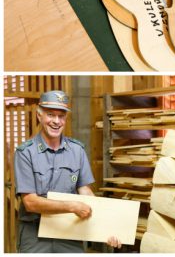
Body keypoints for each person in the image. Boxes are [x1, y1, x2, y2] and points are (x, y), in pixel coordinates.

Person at [14, 90, 122, 252]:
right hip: (34, 235)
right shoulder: (25, 152)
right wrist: (72, 206)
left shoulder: (77, 150)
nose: (56, 121)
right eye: (50, 115)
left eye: (61, 116)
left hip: (69, 232)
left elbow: (85, 191)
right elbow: (30, 202)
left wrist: (105, 228)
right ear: (39, 116)